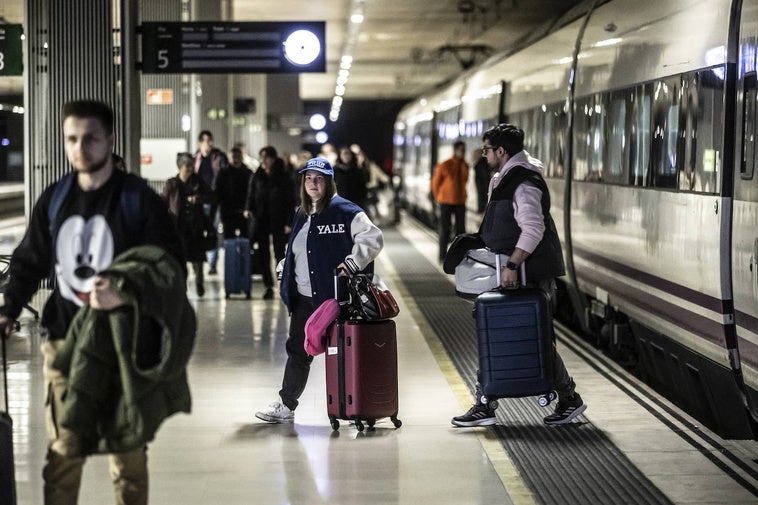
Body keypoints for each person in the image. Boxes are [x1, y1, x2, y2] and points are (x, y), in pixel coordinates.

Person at [0, 99, 186, 504]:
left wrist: (126, 293)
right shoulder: (55, 198)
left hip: (123, 343)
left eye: (90, 139)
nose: (80, 148)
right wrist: (8, 309)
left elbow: (171, 269)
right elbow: (30, 259)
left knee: (128, 454)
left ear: (109, 140)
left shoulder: (139, 200)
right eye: (71, 139)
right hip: (64, 341)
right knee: (65, 451)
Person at [451, 123, 587, 427]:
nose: (483, 155)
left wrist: (512, 265)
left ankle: (489, 404)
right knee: (520, 336)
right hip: (513, 269)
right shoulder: (506, 176)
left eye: (486, 150)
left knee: (527, 338)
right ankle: (563, 399)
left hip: (527, 272)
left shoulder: (523, 182)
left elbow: (533, 229)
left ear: (501, 151)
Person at [254, 157, 383, 423]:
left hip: (335, 298)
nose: (313, 183)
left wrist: (353, 261)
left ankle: (360, 405)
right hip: (304, 298)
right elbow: (297, 249)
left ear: (329, 181)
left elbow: (373, 238)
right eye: (309, 178)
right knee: (298, 351)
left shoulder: (346, 210)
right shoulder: (302, 212)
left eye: (319, 178)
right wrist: (284, 266)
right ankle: (286, 404)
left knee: (346, 353)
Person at [243, 145, 296, 300]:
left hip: (278, 219)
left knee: (279, 253)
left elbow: (290, 200)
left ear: (273, 159)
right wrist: (248, 209)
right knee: (263, 254)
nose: (263, 161)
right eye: (261, 158)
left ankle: (282, 283)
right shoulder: (257, 175)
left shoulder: (284, 176)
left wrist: (288, 222)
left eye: (266, 158)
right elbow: (250, 195)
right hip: (261, 220)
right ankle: (268, 286)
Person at [162, 152, 216, 297]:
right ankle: (182, 287)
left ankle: (199, 283)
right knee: (180, 259)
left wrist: (199, 199)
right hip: (178, 228)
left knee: (197, 259)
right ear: (180, 167)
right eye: (187, 166)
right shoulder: (172, 184)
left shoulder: (197, 181)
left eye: (192, 166)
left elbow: (212, 197)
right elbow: (162, 203)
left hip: (195, 226)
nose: (190, 169)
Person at [194, 130, 228, 275]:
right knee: (199, 231)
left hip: (215, 200)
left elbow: (224, 177)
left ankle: (212, 264)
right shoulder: (195, 158)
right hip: (199, 201)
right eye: (205, 141)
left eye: (210, 140)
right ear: (200, 143)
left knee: (213, 231)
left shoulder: (218, 157)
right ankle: (200, 262)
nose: (208, 144)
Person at [431, 140, 469, 262]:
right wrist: (439, 197)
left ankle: (458, 256)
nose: (463, 152)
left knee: (460, 230)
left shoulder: (465, 165)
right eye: (461, 150)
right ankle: (442, 256)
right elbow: (435, 183)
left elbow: (465, 180)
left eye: (464, 150)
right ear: (455, 150)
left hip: (460, 201)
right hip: (446, 202)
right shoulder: (445, 165)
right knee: (444, 229)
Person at [215, 146, 253, 239]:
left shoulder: (247, 172)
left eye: (237, 156)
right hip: (228, 210)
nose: (235, 158)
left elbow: (251, 192)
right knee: (229, 238)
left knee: (245, 237)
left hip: (243, 210)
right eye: (233, 156)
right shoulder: (223, 172)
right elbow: (218, 190)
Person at [334, 145, 368, 211]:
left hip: (355, 204)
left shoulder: (357, 170)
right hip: (339, 204)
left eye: (348, 154)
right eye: (344, 154)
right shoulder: (335, 170)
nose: (346, 156)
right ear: (340, 155)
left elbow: (363, 188)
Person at [473, 149, 492, 213]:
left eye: (475, 154)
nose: (473, 156)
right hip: (482, 188)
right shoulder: (482, 163)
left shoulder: (482, 163)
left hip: (483, 188)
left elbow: (485, 178)